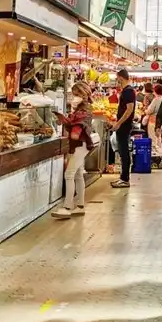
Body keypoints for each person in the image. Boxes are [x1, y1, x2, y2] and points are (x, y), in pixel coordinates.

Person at [53, 83, 94, 220]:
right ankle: (80, 205)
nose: (74, 97)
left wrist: (73, 129)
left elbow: (79, 124)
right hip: (80, 144)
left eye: (75, 94)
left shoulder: (84, 109)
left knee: (69, 174)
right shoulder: (82, 108)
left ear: (82, 94)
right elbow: (74, 122)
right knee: (77, 174)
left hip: (79, 144)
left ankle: (67, 207)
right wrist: (64, 120)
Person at [111, 69, 136, 189]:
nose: (117, 81)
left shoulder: (128, 91)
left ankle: (125, 179)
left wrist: (119, 123)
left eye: (118, 78)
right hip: (124, 125)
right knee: (123, 151)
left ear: (121, 77)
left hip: (124, 126)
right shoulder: (127, 91)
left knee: (124, 151)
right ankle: (123, 177)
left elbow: (129, 109)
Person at [145, 83, 162, 167]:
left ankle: (155, 159)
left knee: (153, 139)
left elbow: (149, 111)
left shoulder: (156, 99)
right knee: (159, 138)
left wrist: (146, 110)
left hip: (153, 121)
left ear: (155, 91)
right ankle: (161, 157)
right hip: (161, 122)